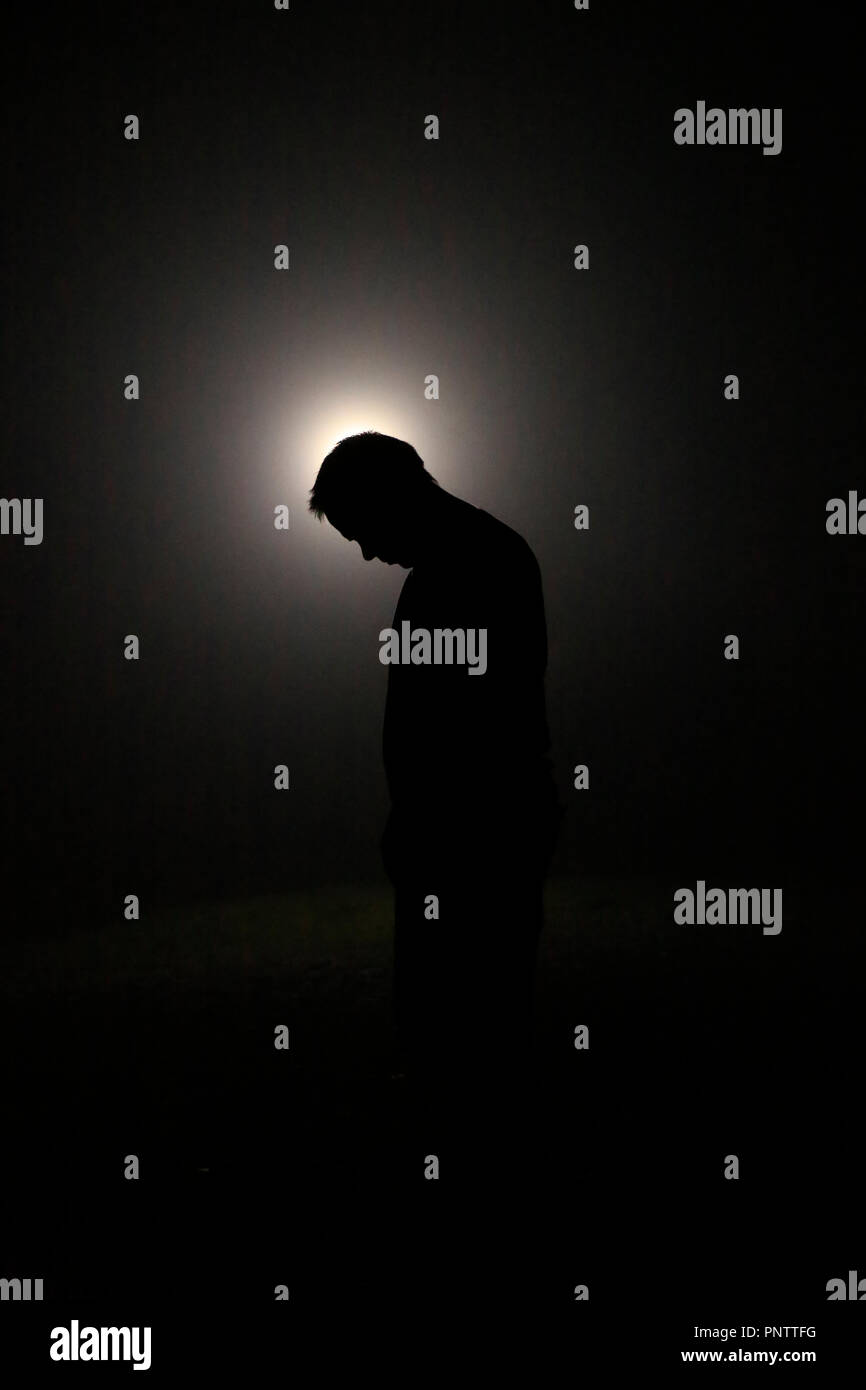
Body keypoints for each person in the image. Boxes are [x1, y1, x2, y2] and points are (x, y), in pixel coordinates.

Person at [309, 431, 562, 1150]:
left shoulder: (456, 572)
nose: (364, 552)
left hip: (465, 834)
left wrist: (423, 817)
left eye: (362, 528)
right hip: (481, 825)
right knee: (482, 1014)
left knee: (452, 1018)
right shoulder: (489, 556)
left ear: (393, 495)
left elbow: (459, 722)